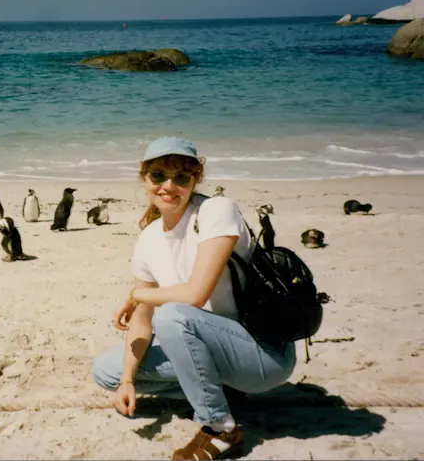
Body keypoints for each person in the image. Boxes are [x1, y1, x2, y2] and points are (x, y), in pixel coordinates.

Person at [91, 136, 296, 460]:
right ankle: (223, 392)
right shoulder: (148, 239)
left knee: (173, 314)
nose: (168, 186)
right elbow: (141, 324)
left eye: (181, 177)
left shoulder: (216, 210)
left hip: (261, 354)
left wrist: (135, 295)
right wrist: (128, 381)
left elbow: (195, 295)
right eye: (158, 175)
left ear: (195, 179)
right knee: (107, 371)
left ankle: (221, 428)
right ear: (144, 178)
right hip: (206, 348)